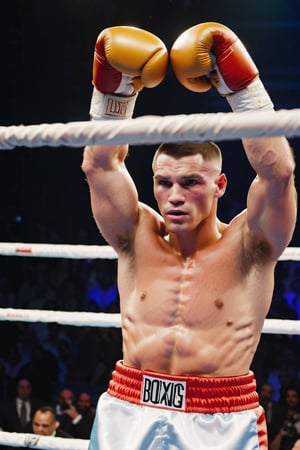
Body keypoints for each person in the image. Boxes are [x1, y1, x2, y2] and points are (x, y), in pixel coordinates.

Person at [81, 23, 297, 450]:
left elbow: (278, 173)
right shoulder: (135, 233)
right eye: (164, 183)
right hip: (129, 407)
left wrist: (243, 90)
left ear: (219, 186)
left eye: (191, 183)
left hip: (218, 420)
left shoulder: (250, 244)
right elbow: (99, 166)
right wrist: (116, 92)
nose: (174, 197)